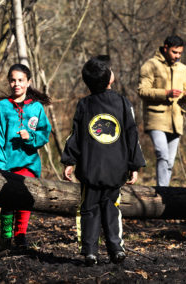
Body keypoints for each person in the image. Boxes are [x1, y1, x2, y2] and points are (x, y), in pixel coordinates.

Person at [61, 55, 146, 266]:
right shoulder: (123, 103)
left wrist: (69, 160)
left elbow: (75, 136)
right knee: (111, 208)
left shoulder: (84, 104)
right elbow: (131, 135)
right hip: (115, 169)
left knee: (89, 209)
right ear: (110, 78)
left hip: (90, 169)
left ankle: (90, 251)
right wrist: (134, 165)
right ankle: (116, 249)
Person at [0, 63, 52, 249]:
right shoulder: (1, 108)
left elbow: (44, 134)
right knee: (7, 201)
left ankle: (21, 236)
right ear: (9, 82)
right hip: (7, 164)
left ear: (28, 82)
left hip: (28, 163)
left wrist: (30, 136)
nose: (17, 84)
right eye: (13, 80)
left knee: (25, 199)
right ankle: (6, 237)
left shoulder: (36, 108)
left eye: (21, 80)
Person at [138, 35, 186, 186]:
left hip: (176, 120)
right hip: (156, 119)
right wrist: (165, 93)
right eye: (174, 52)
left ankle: (165, 193)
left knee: (170, 161)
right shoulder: (150, 65)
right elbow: (142, 91)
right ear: (165, 48)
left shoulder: (183, 69)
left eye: (180, 53)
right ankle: (163, 191)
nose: (177, 56)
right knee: (162, 155)